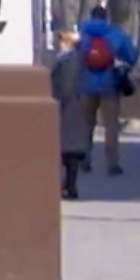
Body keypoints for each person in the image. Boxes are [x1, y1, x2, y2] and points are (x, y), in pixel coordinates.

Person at [70, 5, 138, 176]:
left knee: (85, 125)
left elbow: (68, 55)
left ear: (91, 16)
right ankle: (112, 164)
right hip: (110, 84)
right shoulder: (115, 34)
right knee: (111, 126)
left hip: (85, 84)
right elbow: (131, 56)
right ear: (106, 17)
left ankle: (84, 159)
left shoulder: (80, 35)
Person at [48, 29, 89, 201]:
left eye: (62, 39)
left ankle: (69, 187)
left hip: (67, 108)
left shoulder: (67, 61)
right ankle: (69, 185)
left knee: (66, 151)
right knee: (71, 152)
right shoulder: (76, 60)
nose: (59, 42)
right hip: (77, 107)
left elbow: (64, 87)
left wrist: (56, 102)